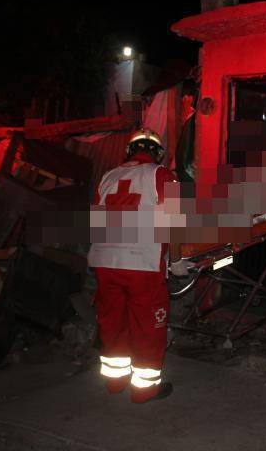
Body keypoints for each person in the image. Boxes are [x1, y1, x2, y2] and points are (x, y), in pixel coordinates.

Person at [88, 129, 177, 403]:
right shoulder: (162, 175)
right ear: (158, 153)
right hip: (142, 263)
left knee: (113, 322)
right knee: (147, 326)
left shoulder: (107, 176)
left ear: (129, 150)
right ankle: (144, 390)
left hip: (104, 260)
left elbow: (96, 218)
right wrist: (180, 260)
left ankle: (115, 383)